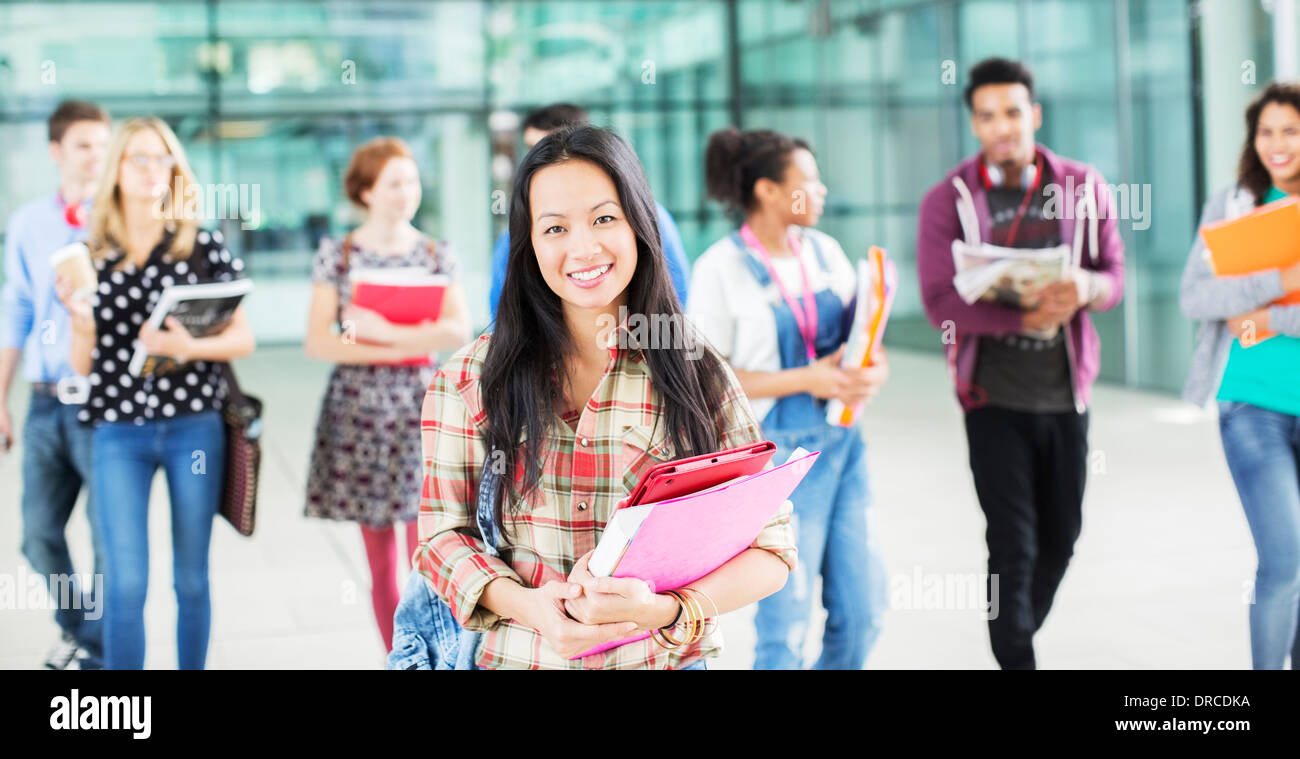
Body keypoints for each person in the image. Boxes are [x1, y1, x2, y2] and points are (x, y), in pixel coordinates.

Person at [411, 124, 797, 669]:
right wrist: (531, 607)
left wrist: (666, 610)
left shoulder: (694, 369)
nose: (582, 247)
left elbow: (773, 549)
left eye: (603, 219)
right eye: (554, 228)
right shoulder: (470, 377)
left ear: (640, 223)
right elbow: (440, 537)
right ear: (528, 244)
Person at [916, 58, 1125, 669]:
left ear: (1033, 114)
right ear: (974, 124)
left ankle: (1015, 639)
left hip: (1066, 396)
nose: (1002, 126)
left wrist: (1083, 290)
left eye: (1012, 112)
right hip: (991, 401)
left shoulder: (1083, 186)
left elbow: (1114, 278)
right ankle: (1017, 658)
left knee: (1063, 538)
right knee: (1013, 545)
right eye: (987, 116)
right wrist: (1019, 319)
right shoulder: (946, 201)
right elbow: (938, 304)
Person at [55, 117, 256, 669]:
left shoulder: (201, 245)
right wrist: (79, 323)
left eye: (161, 159)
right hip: (118, 432)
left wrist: (184, 345)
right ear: (116, 170)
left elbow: (243, 337)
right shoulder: (89, 254)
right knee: (125, 583)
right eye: (138, 159)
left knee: (190, 578)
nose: (151, 171)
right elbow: (81, 366)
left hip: (194, 427)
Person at [688, 127, 889, 669]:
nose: (821, 191)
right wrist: (806, 379)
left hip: (845, 445)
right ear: (768, 191)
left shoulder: (826, 253)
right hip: (779, 461)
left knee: (864, 608)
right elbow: (708, 379)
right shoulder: (720, 269)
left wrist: (872, 370)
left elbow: (864, 339)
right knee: (787, 628)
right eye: (809, 181)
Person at [303, 137, 472, 655]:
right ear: (367, 191)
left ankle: (439, 656)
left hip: (420, 412)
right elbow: (320, 341)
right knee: (379, 562)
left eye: (413, 181)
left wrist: (377, 329)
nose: (407, 192)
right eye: (395, 183)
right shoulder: (340, 254)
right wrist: (413, 338)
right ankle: (399, 659)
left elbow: (457, 332)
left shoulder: (436, 253)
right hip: (359, 417)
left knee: (429, 550)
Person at [1180, 81, 1300, 670]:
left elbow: (1249, 309)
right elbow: (1195, 296)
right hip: (1252, 406)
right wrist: (1282, 279)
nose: (1277, 144)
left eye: (1291, 130)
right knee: (1285, 559)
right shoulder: (1234, 205)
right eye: (1266, 131)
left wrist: (1269, 315)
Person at [1, 100, 111, 669]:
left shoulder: (121, 220)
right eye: (83, 144)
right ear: (55, 152)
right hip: (45, 403)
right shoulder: (27, 224)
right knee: (38, 532)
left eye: (102, 143)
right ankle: (80, 630)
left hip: (104, 403)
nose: (96, 155)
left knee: (108, 535)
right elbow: (16, 311)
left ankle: (94, 646)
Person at [487, 103, 690, 321]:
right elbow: (502, 312)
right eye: (533, 149)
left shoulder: (653, 219)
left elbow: (678, 295)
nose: (546, 161)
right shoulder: (515, 235)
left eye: (604, 219)